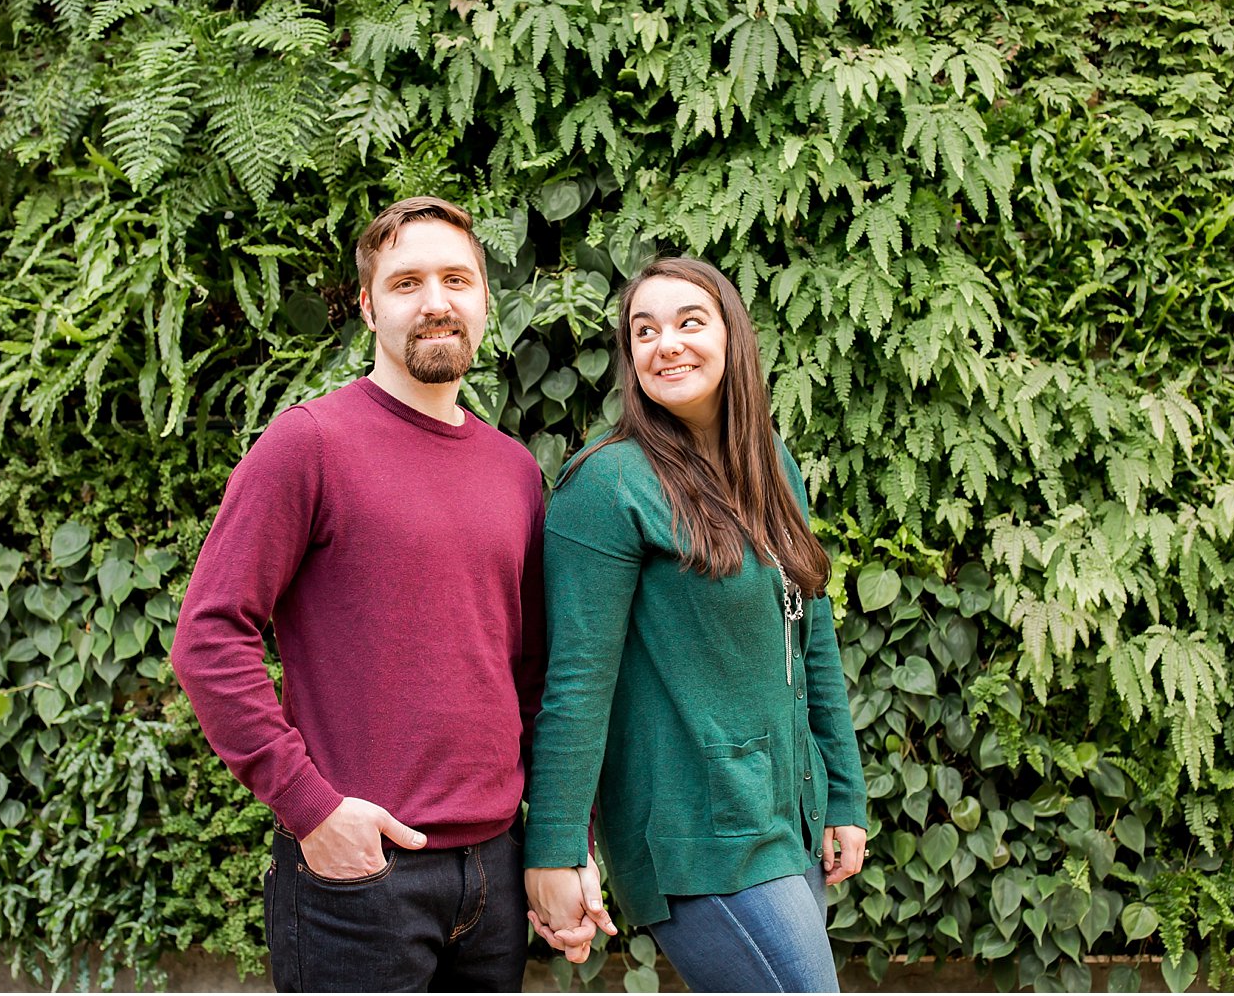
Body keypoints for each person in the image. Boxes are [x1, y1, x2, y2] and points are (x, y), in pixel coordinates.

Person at [172, 196, 577, 991]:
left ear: (486, 300)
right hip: (358, 880)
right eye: (406, 283)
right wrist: (311, 809)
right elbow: (211, 635)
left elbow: (533, 673)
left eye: (458, 279)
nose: (436, 302)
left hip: (494, 874)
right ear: (367, 306)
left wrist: (561, 840)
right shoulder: (310, 444)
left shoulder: (515, 471)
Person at [522, 257, 869, 992]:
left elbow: (814, 638)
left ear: (732, 336)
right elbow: (577, 681)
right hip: (696, 835)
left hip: (787, 817)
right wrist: (554, 851)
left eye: (688, 322)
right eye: (643, 331)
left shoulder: (772, 464)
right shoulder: (608, 484)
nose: (665, 344)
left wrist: (841, 795)